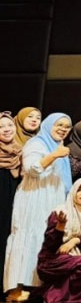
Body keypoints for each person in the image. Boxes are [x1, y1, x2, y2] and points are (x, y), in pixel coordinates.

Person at [4, 112, 72, 302]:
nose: (63, 129)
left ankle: (38, 287)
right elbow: (31, 168)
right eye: (59, 125)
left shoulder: (59, 146)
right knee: (26, 238)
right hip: (34, 196)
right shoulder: (36, 143)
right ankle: (15, 289)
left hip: (52, 196)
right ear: (49, 125)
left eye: (67, 127)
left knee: (45, 239)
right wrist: (54, 155)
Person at [0, 113, 23, 284]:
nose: (7, 129)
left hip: (13, 207)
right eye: (1, 127)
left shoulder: (20, 152)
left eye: (10, 125)